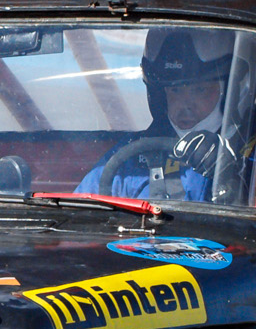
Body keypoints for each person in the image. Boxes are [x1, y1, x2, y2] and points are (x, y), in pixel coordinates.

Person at [77, 28, 235, 200]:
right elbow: (83, 205)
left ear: (228, 92)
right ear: (159, 95)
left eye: (200, 90)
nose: (185, 104)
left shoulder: (250, 161)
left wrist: (233, 174)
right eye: (175, 90)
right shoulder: (131, 157)